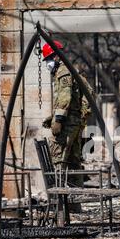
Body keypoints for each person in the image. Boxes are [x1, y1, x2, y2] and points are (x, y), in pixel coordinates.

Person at [41, 40, 92, 189]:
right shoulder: (70, 70)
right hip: (74, 122)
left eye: (49, 59)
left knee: (57, 158)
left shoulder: (63, 72)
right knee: (73, 160)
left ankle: (60, 201)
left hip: (68, 124)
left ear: (56, 56)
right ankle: (75, 203)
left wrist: (58, 120)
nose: (47, 63)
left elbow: (65, 98)